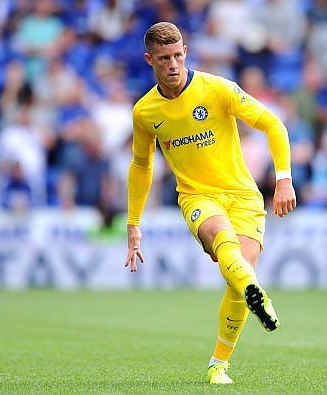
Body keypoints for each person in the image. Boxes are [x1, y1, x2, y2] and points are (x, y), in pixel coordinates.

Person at [124, 22, 296, 385]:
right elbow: (142, 165)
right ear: (149, 60)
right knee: (222, 239)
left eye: (177, 56)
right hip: (197, 196)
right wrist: (133, 223)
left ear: (185, 51)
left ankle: (219, 363)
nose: (172, 64)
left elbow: (273, 124)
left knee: (238, 277)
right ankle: (255, 289)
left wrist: (283, 179)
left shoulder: (217, 88)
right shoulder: (145, 112)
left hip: (245, 197)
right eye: (163, 58)